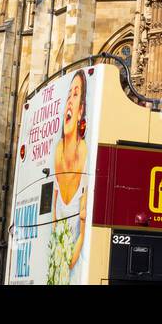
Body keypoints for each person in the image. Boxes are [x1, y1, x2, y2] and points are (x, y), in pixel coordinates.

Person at [52, 70, 90, 283]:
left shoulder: (86, 157)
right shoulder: (57, 150)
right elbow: (55, 224)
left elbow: (83, 236)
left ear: (81, 110)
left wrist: (63, 269)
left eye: (75, 95)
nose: (69, 102)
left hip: (76, 272)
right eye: (68, 96)